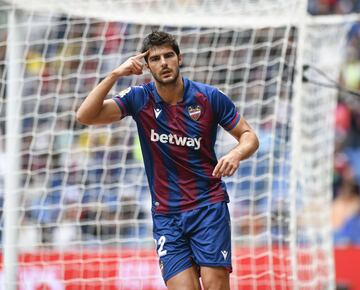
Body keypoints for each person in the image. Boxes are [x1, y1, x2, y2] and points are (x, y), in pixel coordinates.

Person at [76, 31, 259, 290]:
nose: (163, 63)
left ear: (179, 58)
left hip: (207, 207)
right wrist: (115, 74)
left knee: (214, 284)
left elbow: (249, 136)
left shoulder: (208, 97)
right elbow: (86, 116)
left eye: (168, 56)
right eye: (156, 58)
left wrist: (236, 153)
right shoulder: (140, 98)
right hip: (167, 216)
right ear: (147, 65)